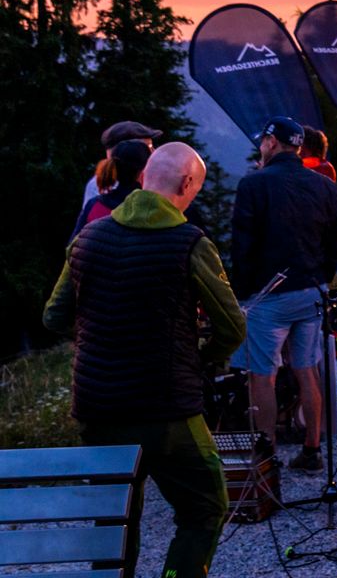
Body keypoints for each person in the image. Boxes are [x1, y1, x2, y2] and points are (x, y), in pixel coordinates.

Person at [43, 142, 245, 578]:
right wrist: (201, 360)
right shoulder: (189, 242)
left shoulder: (87, 237)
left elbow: (54, 316)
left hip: (98, 408)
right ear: (187, 184)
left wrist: (103, 338)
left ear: (142, 179)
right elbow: (232, 327)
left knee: (113, 519)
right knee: (206, 506)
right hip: (167, 410)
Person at [230, 117, 337, 472]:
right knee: (307, 369)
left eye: (262, 141)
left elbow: (242, 247)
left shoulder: (253, 185)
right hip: (311, 290)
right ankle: (312, 450)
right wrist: (321, 273)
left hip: (268, 294)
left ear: (271, 142)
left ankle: (266, 453)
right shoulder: (324, 185)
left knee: (262, 373)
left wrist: (243, 292)